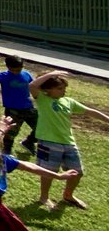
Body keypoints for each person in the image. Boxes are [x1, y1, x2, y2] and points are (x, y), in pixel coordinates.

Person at [30, 72, 109, 209]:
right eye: (60, 88)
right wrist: (52, 74)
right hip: (48, 141)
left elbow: (89, 111)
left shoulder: (69, 102)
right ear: (47, 90)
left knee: (77, 172)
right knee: (49, 171)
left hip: (68, 142)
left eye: (64, 88)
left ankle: (68, 195)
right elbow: (33, 85)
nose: (64, 91)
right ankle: (44, 198)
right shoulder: (43, 99)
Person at [0, 56, 44, 155]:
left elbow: (34, 85)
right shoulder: (4, 75)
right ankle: (7, 149)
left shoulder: (26, 74)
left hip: (28, 107)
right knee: (12, 131)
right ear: (8, 67)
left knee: (41, 127)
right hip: (13, 109)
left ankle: (29, 141)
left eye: (19, 69)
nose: (17, 71)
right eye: (14, 70)